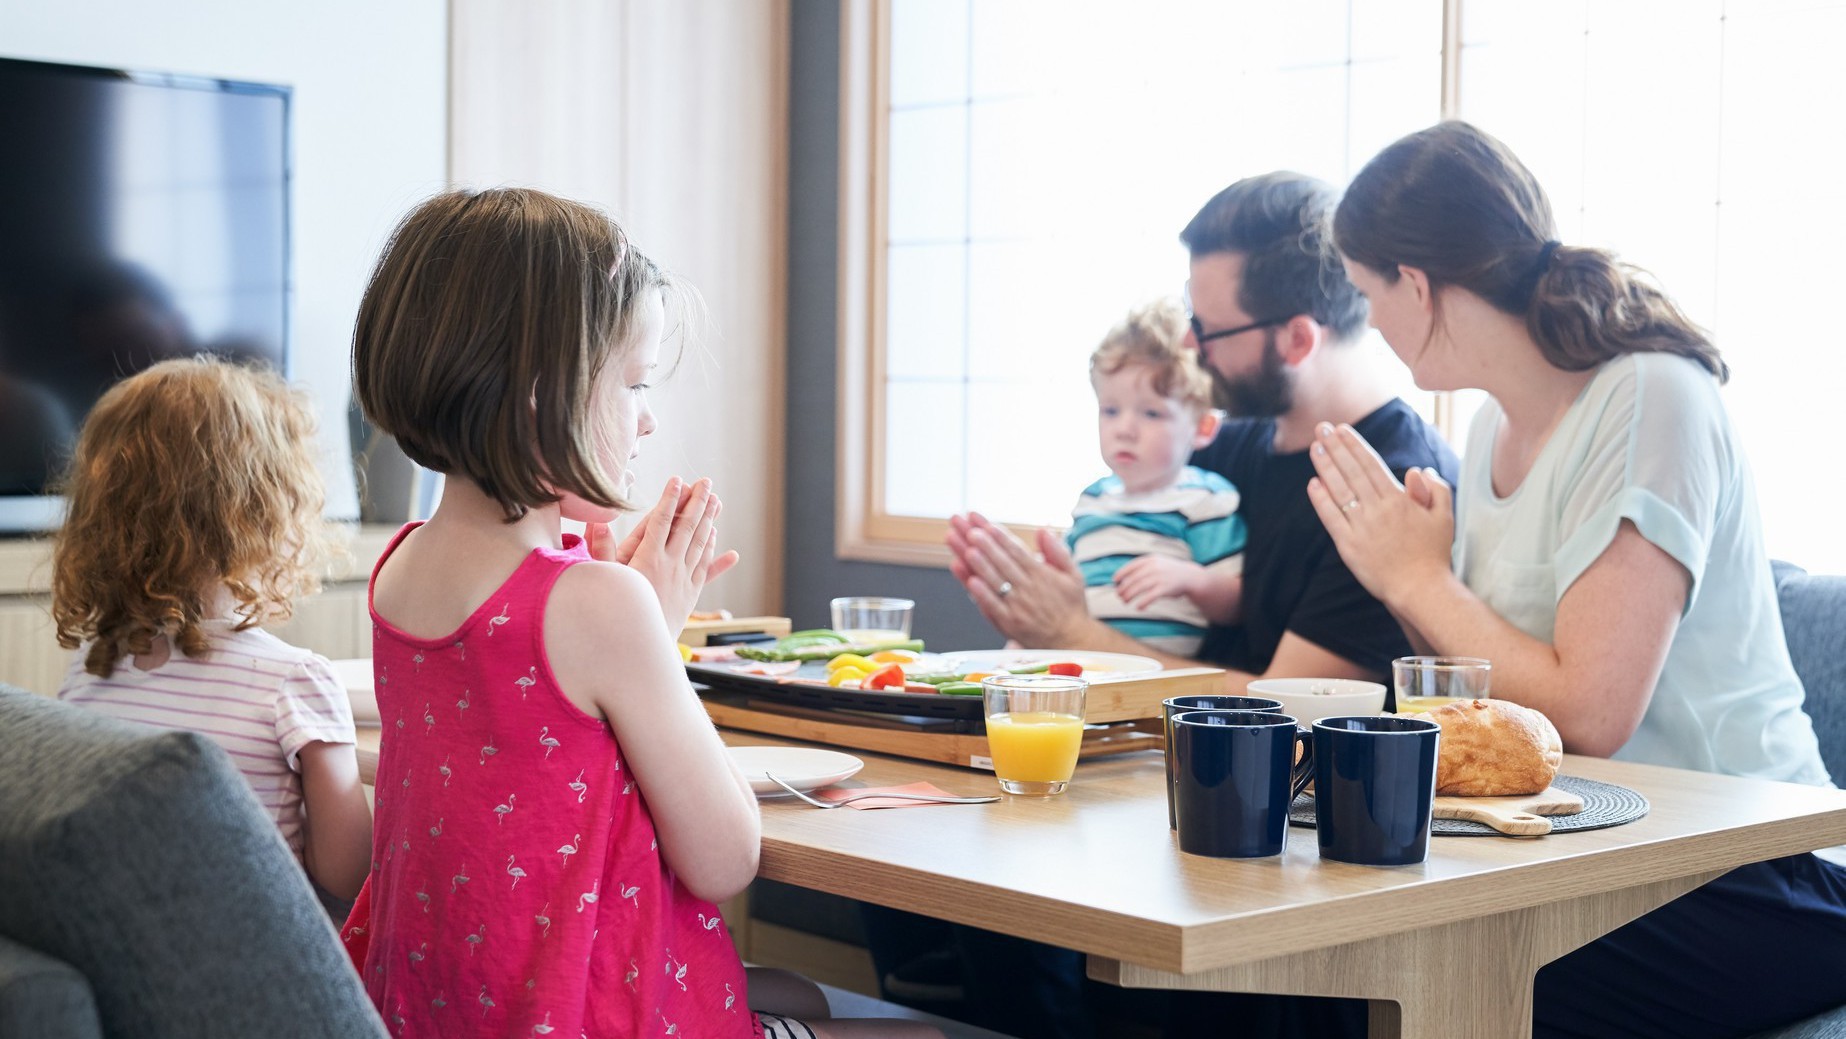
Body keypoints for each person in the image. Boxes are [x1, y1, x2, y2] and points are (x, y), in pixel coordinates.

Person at [338, 187, 940, 1039]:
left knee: (801, 995)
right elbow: (726, 858)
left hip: (445, 1008)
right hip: (583, 1012)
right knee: (919, 1033)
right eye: (633, 382)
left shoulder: (399, 567)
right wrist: (651, 628)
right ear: (540, 394)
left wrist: (613, 598)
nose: (648, 416)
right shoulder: (601, 606)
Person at [1312, 120, 1846, 1039]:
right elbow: (1489, 708)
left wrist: (1416, 576)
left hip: (1757, 866)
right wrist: (1410, 580)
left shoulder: (1652, 395)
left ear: (1415, 282)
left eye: (1365, 293)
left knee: (1384, 984)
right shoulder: (1491, 434)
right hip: (1590, 847)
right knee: (1309, 965)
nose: (1369, 321)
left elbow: (1591, 712)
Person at [948, 170, 1459, 691]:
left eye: (1209, 328)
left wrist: (1071, 632)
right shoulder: (1219, 448)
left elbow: (1286, 706)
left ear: (1297, 341)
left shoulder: (1390, 491)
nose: (1190, 345)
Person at [52, 357, 372, 902]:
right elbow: (347, 873)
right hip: (259, 964)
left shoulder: (87, 671)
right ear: (266, 512)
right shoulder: (293, 684)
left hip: (134, 955)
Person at [1070, 297, 1245, 657]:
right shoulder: (1092, 501)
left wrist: (1190, 579)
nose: (1125, 429)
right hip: (1082, 663)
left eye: (1151, 413)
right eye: (1111, 410)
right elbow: (1065, 590)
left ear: (1203, 427)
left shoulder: (1204, 499)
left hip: (1164, 678)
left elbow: (1237, 605)